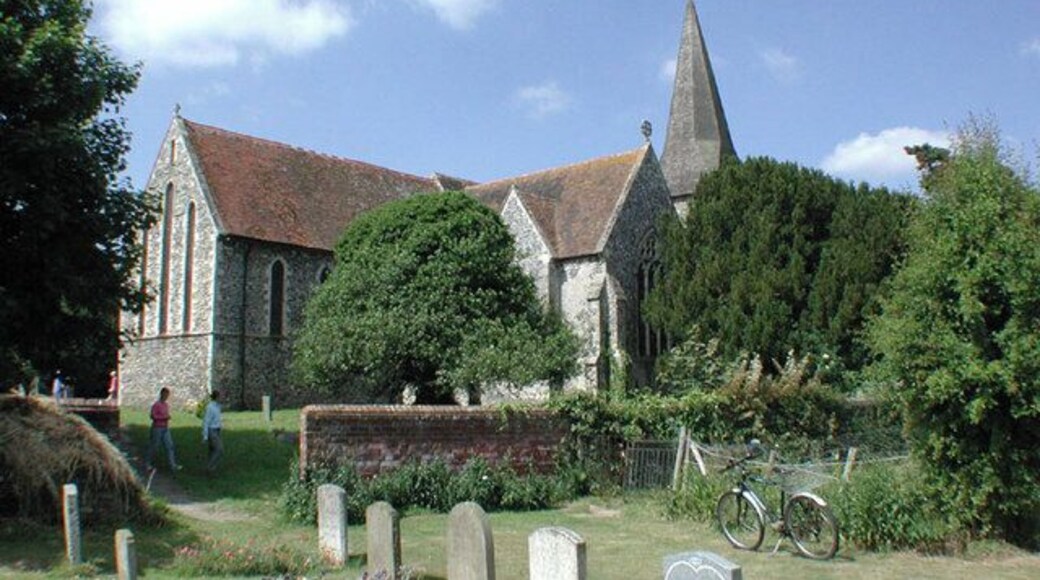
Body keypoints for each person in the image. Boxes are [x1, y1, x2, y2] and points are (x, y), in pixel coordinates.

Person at [145, 387, 181, 472]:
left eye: (167, 395)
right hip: (157, 428)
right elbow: (152, 416)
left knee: (170, 446)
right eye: (165, 395)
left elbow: (166, 414)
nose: (166, 397)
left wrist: (167, 417)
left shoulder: (166, 405)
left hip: (165, 428)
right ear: (161, 394)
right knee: (154, 447)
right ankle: (148, 464)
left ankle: (172, 465)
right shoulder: (156, 405)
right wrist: (163, 418)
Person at [202, 390, 224, 474]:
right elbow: (206, 421)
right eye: (221, 396)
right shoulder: (210, 407)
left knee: (212, 450)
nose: (222, 398)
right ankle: (209, 467)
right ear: (217, 397)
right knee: (219, 449)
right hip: (212, 430)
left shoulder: (218, 406)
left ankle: (211, 469)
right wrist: (205, 436)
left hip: (217, 430)